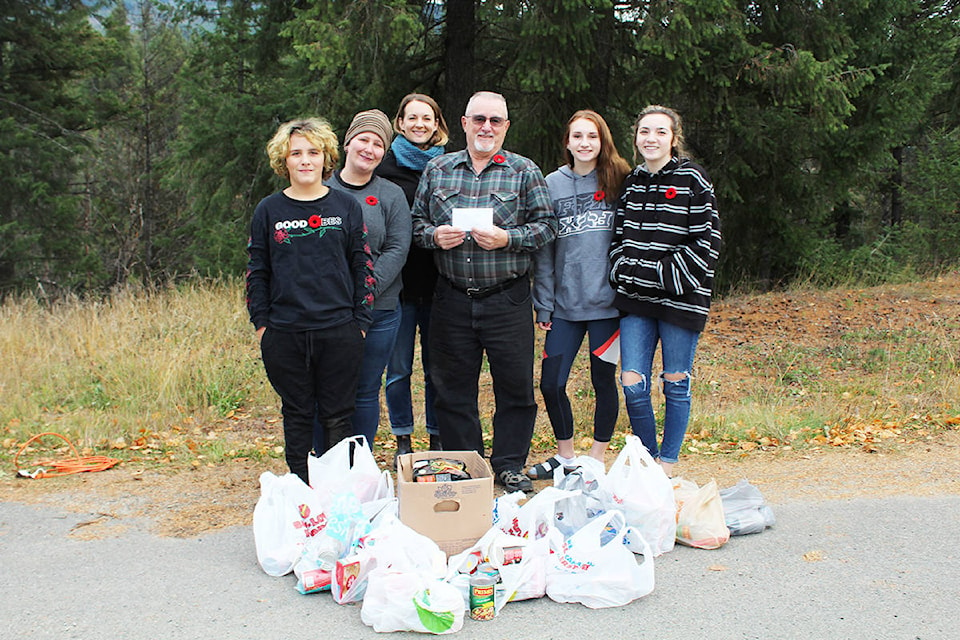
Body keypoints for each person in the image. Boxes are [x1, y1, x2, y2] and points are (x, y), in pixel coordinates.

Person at [411, 90, 557, 493]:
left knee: (515, 386)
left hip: (507, 298)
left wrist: (508, 238)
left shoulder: (525, 172)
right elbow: (415, 224)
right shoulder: (438, 170)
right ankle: (468, 466)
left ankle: (509, 464)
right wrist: (434, 236)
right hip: (452, 297)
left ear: (506, 126)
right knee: (452, 388)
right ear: (463, 123)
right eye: (479, 119)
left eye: (495, 121)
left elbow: (547, 226)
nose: (486, 128)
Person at [246, 118, 374, 484]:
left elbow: (361, 264)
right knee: (298, 414)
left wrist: (359, 324)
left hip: (339, 331)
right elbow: (258, 270)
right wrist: (262, 326)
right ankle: (301, 492)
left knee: (337, 416)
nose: (305, 160)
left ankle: (338, 494)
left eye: (313, 152)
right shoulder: (268, 211)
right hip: (285, 333)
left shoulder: (346, 206)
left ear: (326, 158)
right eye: (296, 153)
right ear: (283, 161)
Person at [608, 105, 721, 478]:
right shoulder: (632, 181)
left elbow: (707, 242)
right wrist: (623, 271)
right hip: (636, 301)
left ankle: (667, 465)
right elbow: (618, 238)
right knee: (632, 382)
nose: (651, 139)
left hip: (681, 300)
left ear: (674, 138)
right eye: (644, 131)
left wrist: (657, 274)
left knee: (676, 380)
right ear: (636, 136)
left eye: (660, 132)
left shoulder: (693, 179)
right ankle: (649, 462)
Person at [527, 110, 632, 480]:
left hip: (608, 308)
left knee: (603, 382)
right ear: (567, 141)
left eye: (592, 136)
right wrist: (544, 301)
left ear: (602, 141)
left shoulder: (619, 178)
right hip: (565, 307)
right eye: (577, 136)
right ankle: (566, 457)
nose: (585, 143)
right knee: (551, 383)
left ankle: (597, 459)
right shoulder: (551, 183)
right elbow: (543, 251)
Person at [326, 109, 411, 451]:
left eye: (378, 144)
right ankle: (327, 459)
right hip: (329, 310)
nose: (370, 148)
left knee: (365, 389)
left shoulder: (390, 195)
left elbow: (397, 247)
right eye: (364, 139)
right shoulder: (322, 188)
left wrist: (365, 290)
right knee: (329, 387)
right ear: (348, 143)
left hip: (380, 311)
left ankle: (360, 461)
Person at [376, 94, 450, 461]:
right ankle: (403, 437)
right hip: (398, 286)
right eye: (412, 118)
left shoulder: (451, 166)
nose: (420, 124)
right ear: (400, 123)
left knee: (437, 369)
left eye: (427, 118)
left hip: (441, 285)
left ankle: (437, 436)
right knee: (399, 369)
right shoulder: (384, 168)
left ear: (437, 124)